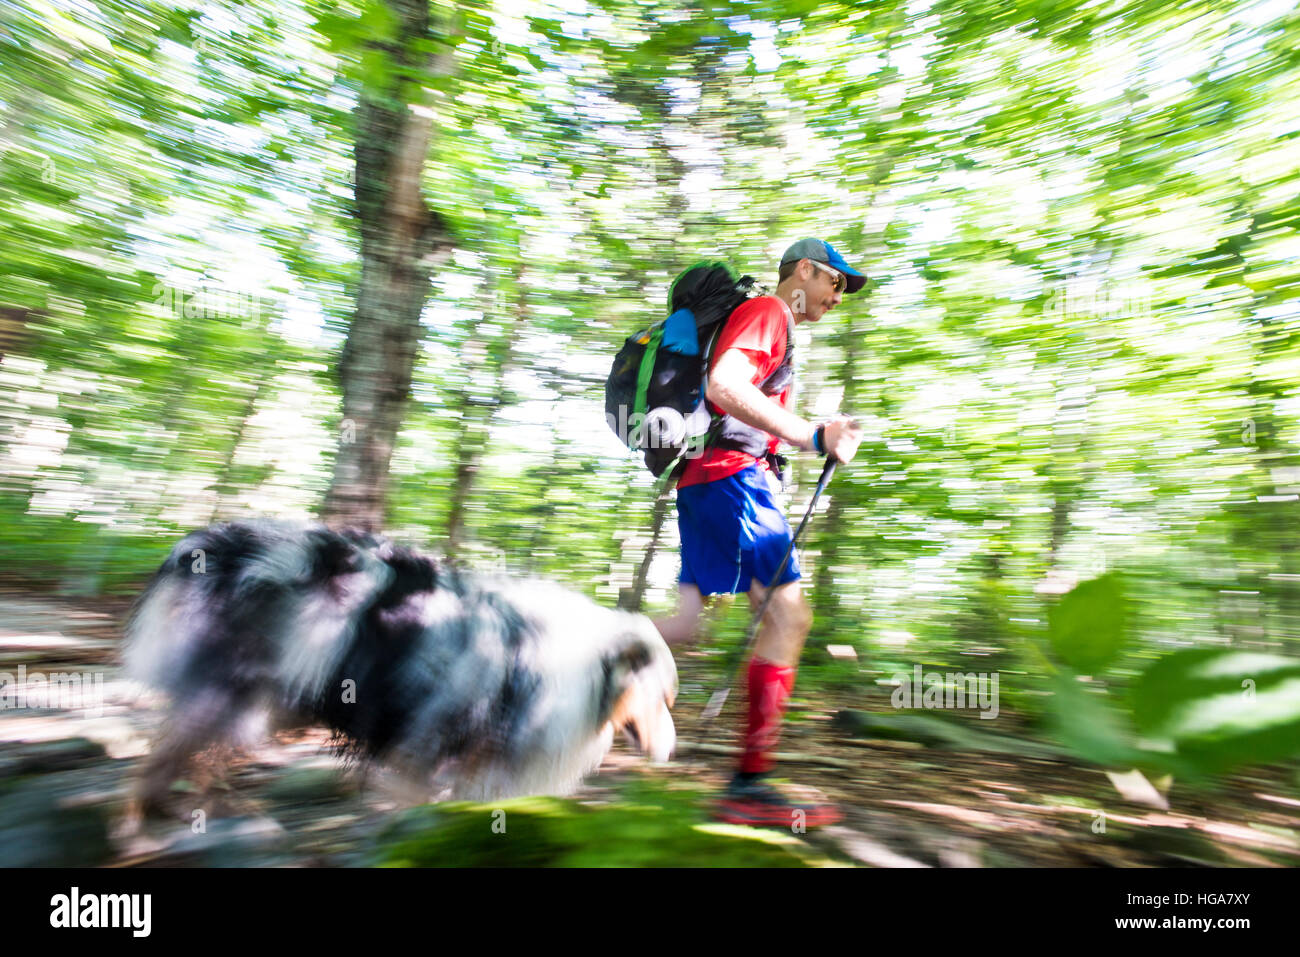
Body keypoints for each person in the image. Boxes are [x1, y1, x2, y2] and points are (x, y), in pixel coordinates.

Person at [653, 237, 866, 828]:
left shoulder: (764, 319)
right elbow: (725, 385)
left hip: (704, 481)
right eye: (835, 283)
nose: (838, 297)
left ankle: (573, 653)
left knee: (684, 625)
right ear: (804, 271)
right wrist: (812, 435)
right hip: (731, 481)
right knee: (789, 618)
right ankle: (750, 785)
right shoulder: (770, 312)